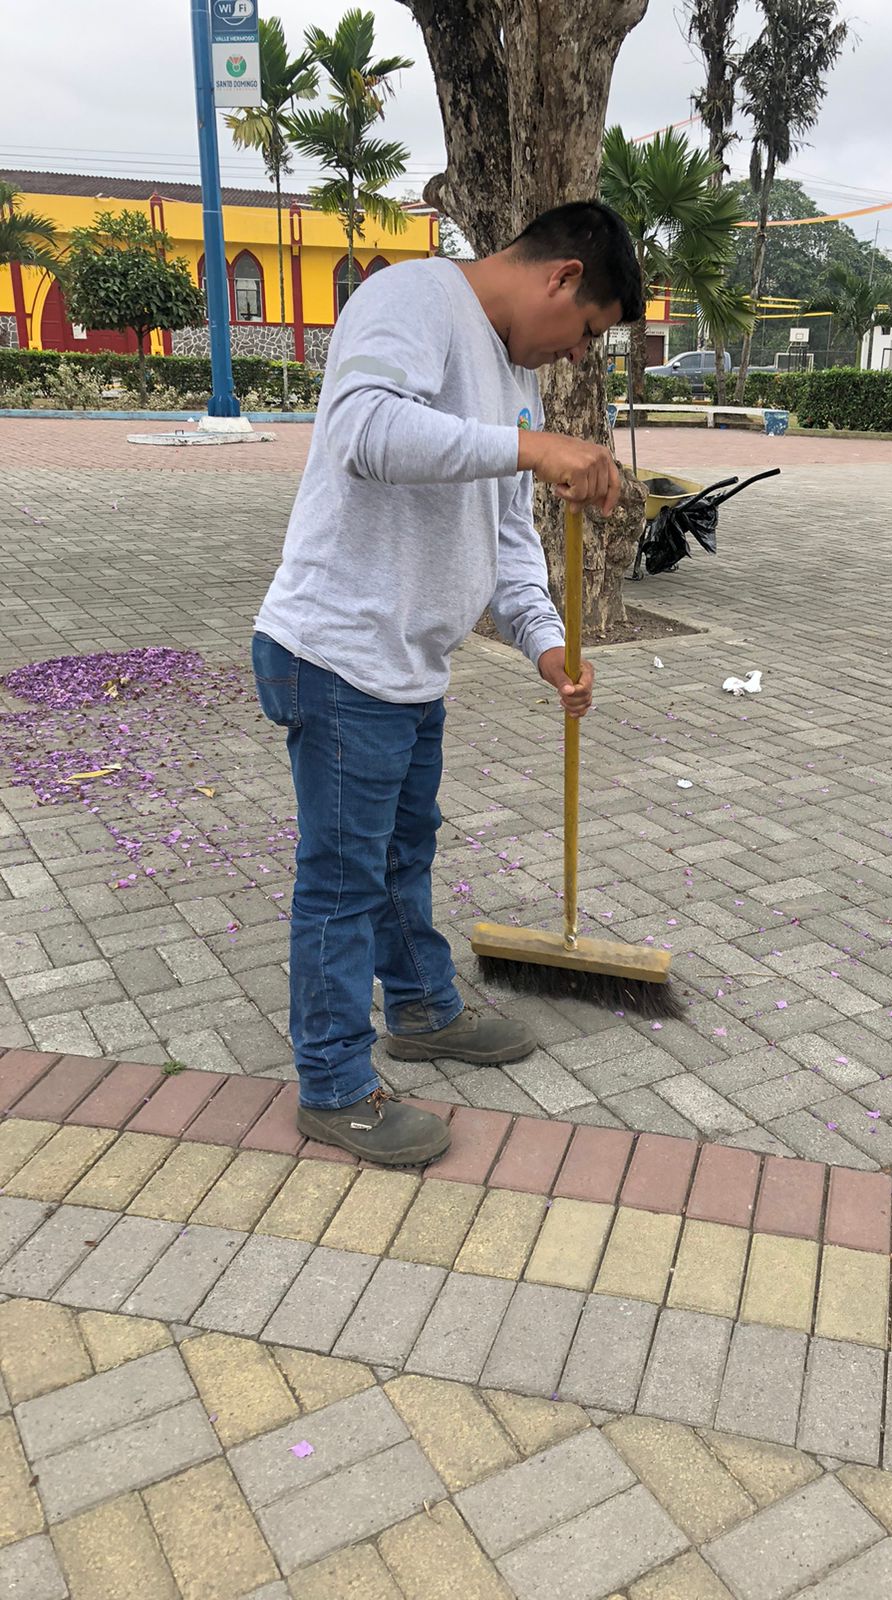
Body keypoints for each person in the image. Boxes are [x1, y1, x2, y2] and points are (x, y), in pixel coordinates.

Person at [252, 201, 644, 1166]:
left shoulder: (515, 377)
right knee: (344, 880)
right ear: (561, 278)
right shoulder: (412, 298)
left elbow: (508, 541)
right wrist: (533, 448)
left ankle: (423, 1009)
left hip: (410, 663)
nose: (575, 355)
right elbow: (365, 431)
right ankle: (334, 1085)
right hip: (337, 653)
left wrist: (547, 645)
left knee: (402, 853)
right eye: (586, 331)